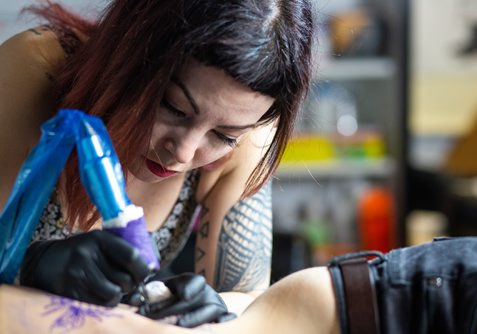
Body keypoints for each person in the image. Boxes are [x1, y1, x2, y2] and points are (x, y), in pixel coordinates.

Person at [0, 0, 314, 327]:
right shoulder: (32, 73)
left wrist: (219, 305)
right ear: (130, 52)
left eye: (223, 136)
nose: (182, 152)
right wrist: (29, 269)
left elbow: (249, 299)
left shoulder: (249, 125)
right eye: (173, 107)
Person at [1, 236, 477, 334]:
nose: (189, 150)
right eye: (176, 108)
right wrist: (27, 262)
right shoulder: (38, 65)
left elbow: (243, 296)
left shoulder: (251, 135)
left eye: (226, 135)